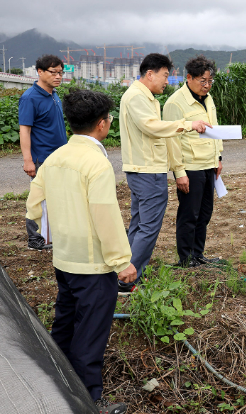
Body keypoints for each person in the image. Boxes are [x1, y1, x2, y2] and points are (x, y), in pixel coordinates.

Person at [26, 89, 137, 414]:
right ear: (103, 124)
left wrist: (47, 232)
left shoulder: (56, 157)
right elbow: (105, 216)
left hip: (64, 259)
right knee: (90, 335)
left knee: (64, 323)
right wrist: (122, 262)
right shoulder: (96, 163)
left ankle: (54, 386)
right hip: (93, 267)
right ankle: (89, 400)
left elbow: (35, 203)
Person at [118, 53, 211, 292]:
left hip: (149, 168)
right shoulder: (137, 96)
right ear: (150, 74)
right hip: (147, 170)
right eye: (165, 75)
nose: (166, 82)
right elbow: (151, 126)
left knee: (139, 225)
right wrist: (189, 124)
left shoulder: (146, 97)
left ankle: (128, 272)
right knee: (148, 227)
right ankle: (128, 280)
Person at [163, 55, 223, 267]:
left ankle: (198, 255)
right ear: (189, 78)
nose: (207, 86)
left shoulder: (208, 99)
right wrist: (179, 173)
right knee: (190, 214)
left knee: (205, 213)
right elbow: (171, 141)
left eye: (210, 81)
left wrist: (219, 158)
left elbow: (214, 128)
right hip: (190, 168)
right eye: (202, 81)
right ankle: (186, 258)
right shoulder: (175, 103)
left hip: (209, 165)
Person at [18, 55, 68, 250]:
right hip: (41, 158)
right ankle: (35, 239)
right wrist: (28, 160)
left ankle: (52, 236)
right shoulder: (30, 97)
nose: (58, 76)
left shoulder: (54, 94)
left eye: (60, 73)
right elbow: (25, 130)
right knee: (38, 198)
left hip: (58, 156)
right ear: (40, 72)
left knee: (56, 198)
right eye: (53, 72)